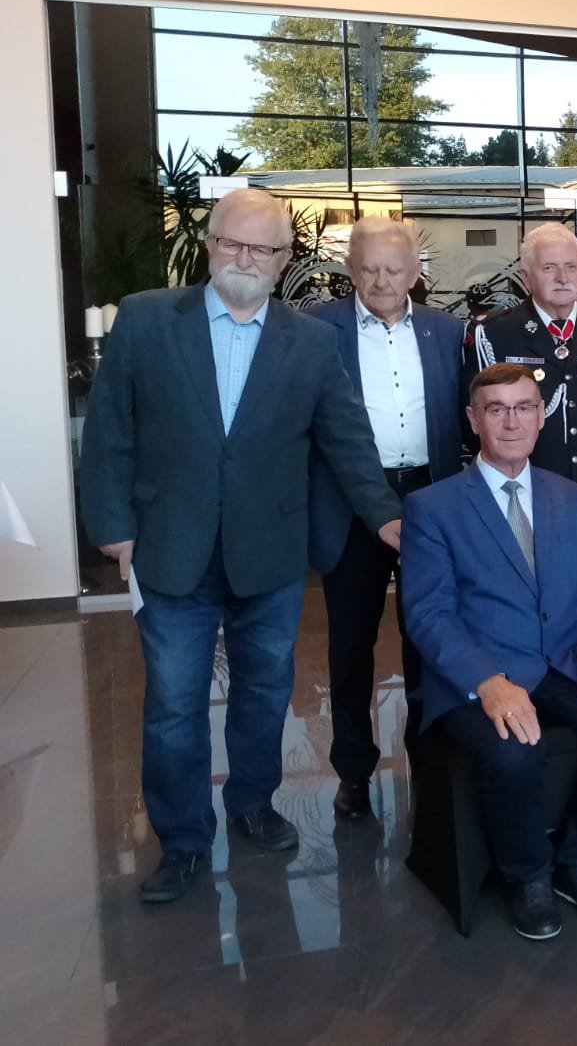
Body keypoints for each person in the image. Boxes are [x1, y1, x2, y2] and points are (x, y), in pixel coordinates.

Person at [80, 188, 401, 905]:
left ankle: (253, 803)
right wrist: (112, 526)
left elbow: (347, 439)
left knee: (264, 692)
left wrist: (388, 518)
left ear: (284, 259)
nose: (245, 258)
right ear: (209, 245)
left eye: (262, 248)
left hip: (270, 553)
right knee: (173, 703)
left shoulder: (310, 341)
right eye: (232, 242)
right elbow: (110, 430)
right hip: (171, 546)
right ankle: (183, 840)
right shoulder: (145, 319)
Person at [401, 363, 577, 941]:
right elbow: (428, 615)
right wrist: (485, 681)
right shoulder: (433, 507)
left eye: (524, 408)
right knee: (515, 751)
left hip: (562, 662)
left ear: (542, 417)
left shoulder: (573, 497)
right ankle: (527, 874)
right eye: (497, 409)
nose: (512, 421)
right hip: (479, 671)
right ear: (474, 420)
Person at [306, 216, 464, 820]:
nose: (381, 281)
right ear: (350, 270)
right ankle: (353, 770)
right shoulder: (318, 329)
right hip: (349, 501)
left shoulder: (447, 331)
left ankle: (430, 760)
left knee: (431, 636)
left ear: (415, 272)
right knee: (351, 646)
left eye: (394, 269)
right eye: (368, 269)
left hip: (430, 494)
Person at [465, 223, 577, 559]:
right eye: (549, 268)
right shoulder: (496, 334)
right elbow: (477, 423)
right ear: (527, 277)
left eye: (571, 267)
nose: (562, 278)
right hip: (524, 502)